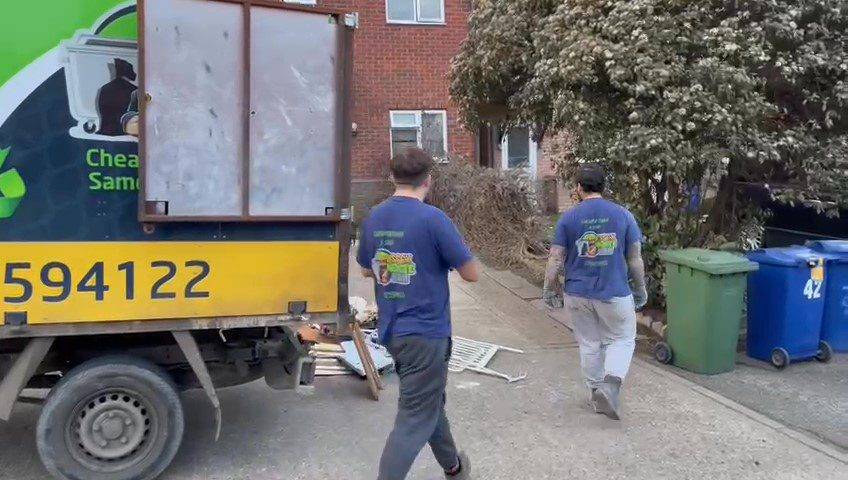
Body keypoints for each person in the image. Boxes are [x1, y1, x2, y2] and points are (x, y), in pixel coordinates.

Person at [357, 147, 479, 480]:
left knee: (428, 403)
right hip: (426, 334)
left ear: (391, 178)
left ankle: (453, 467)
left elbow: (367, 268)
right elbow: (472, 274)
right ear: (429, 180)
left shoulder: (375, 216)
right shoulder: (433, 219)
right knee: (413, 419)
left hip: (394, 331)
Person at [543, 164, 647, 420]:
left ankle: (595, 394)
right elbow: (634, 258)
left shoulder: (568, 218)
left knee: (589, 343)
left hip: (577, 293)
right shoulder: (623, 215)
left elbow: (555, 258)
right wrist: (641, 287)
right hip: (614, 292)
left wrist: (548, 289)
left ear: (578, 188)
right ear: (604, 187)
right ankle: (610, 385)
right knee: (621, 339)